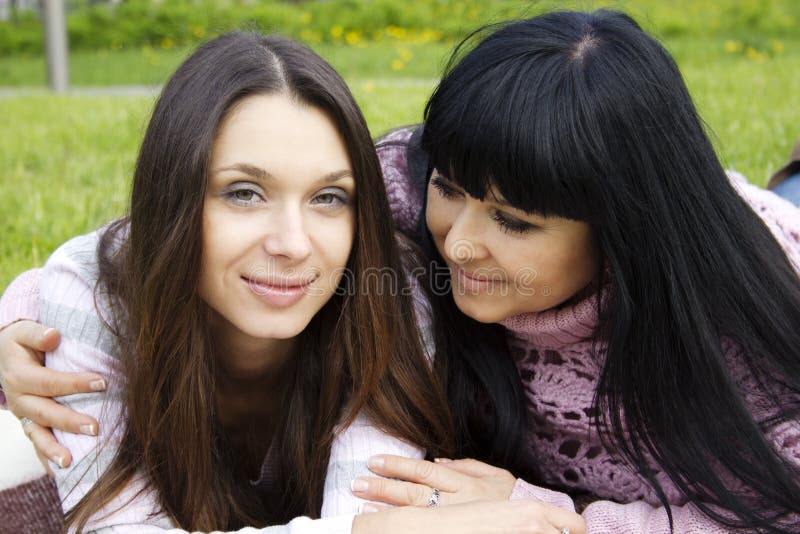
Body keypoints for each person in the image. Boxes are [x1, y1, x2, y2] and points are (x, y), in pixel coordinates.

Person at [5, 8, 800, 534]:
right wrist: (27, 317)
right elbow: (144, 243)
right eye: (450, 190)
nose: (454, 246)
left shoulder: (742, 331)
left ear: (621, 236)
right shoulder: (388, 207)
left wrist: (566, 516)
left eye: (515, 223)